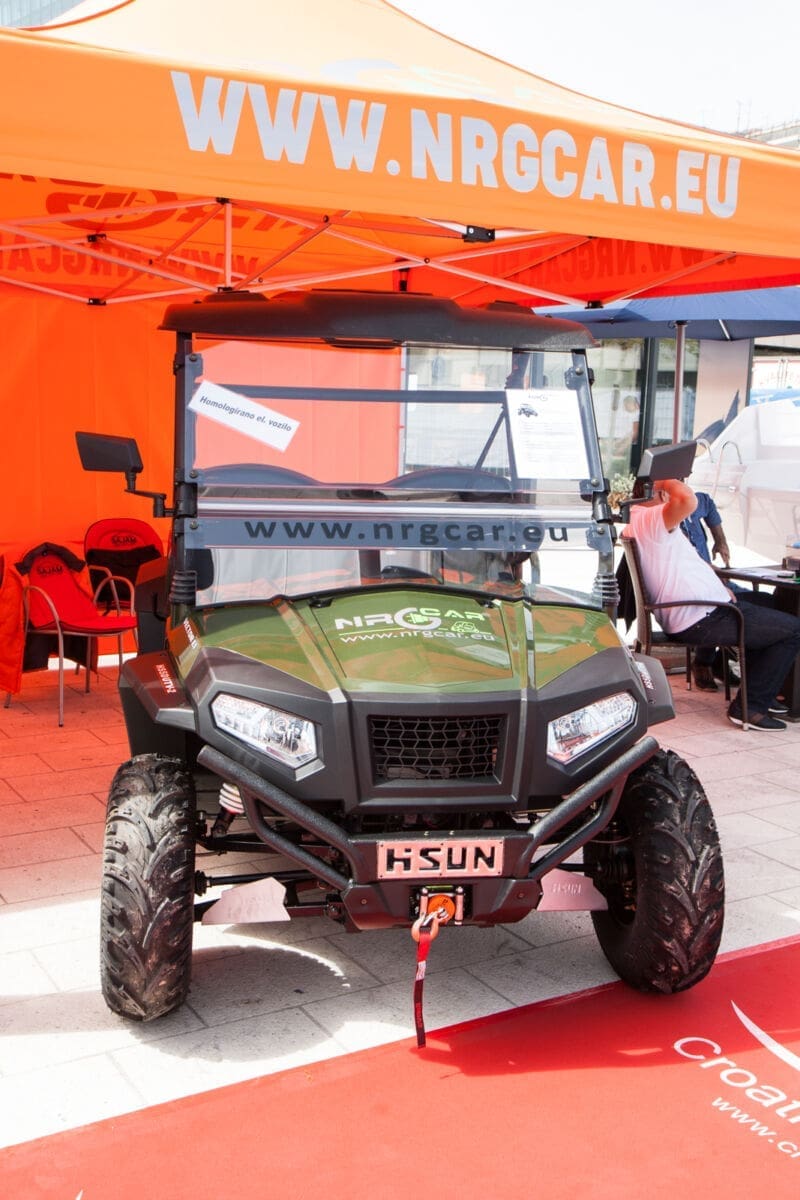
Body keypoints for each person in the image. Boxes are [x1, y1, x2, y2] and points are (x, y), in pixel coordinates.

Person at [625, 478, 800, 730]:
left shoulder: (644, 520)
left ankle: (761, 689)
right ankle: (749, 707)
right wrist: (665, 478)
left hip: (703, 608)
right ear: (662, 494)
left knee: (773, 605)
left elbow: (688, 561)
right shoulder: (650, 518)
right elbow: (688, 500)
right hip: (700, 615)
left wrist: (718, 586)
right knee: (793, 630)